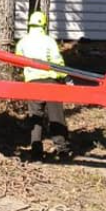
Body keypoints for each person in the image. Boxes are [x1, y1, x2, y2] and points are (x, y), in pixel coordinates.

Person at [15, 10, 71, 161]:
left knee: (36, 117)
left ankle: (36, 152)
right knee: (56, 116)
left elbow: (18, 60)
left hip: (32, 83)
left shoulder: (23, 42)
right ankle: (62, 149)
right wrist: (64, 77)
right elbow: (57, 62)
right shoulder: (49, 41)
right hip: (50, 81)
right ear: (45, 25)